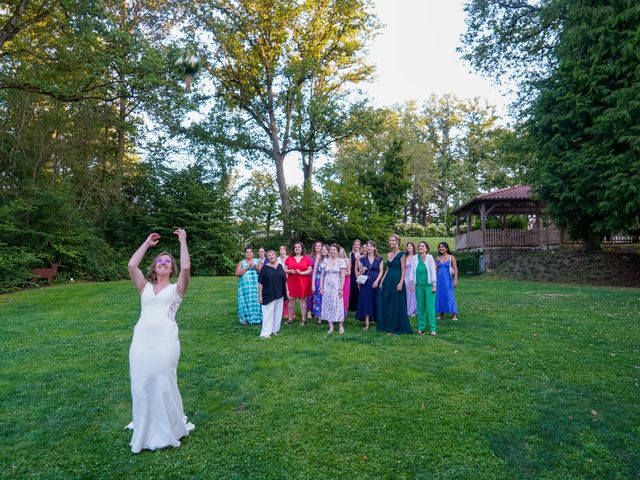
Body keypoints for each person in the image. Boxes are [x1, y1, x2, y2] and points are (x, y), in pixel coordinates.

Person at [126, 230, 195, 453]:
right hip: (141, 341)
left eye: (167, 262)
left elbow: (186, 268)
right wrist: (146, 243)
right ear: (154, 267)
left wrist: (183, 241)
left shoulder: (178, 289)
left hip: (166, 341)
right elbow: (131, 266)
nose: (163, 263)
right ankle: (145, 424)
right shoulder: (144, 287)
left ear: (171, 269)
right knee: (141, 382)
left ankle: (169, 426)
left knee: (163, 380)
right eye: (160, 261)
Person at [377, 234, 413, 334]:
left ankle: (396, 327)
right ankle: (388, 325)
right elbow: (387, 269)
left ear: (397, 242)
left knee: (396, 304)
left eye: (393, 240)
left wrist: (401, 282)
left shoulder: (402, 255)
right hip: (388, 281)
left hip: (397, 281)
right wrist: (382, 281)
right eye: (390, 241)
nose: (391, 242)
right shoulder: (388, 255)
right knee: (388, 303)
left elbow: (403, 270)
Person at [258, 250, 288, 338]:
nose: (271, 257)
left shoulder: (280, 266)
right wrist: (260, 296)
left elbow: (284, 280)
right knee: (268, 313)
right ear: (267, 258)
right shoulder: (264, 268)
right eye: (269, 256)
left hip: (279, 293)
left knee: (278, 313)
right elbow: (260, 283)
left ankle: (274, 330)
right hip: (268, 294)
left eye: (273, 255)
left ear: (276, 255)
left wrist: (287, 291)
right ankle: (265, 333)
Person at [355, 240, 383, 331]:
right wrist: (362, 270)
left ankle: (377, 320)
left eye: (371, 246)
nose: (369, 248)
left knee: (375, 301)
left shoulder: (379, 259)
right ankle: (366, 323)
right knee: (366, 302)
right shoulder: (362, 259)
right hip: (366, 284)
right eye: (368, 246)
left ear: (374, 248)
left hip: (375, 283)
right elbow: (359, 273)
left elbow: (381, 271)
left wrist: (377, 281)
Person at [411, 241, 437, 335]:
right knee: (420, 308)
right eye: (419, 246)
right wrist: (411, 282)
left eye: (423, 246)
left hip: (429, 286)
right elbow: (412, 271)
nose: (420, 247)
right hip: (419, 286)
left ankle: (433, 329)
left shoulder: (429, 257)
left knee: (430, 308)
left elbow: (433, 271)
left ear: (426, 248)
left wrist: (434, 285)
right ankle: (421, 327)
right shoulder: (414, 258)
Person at [320, 244, 347, 334]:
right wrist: (321, 287)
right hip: (327, 286)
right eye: (331, 249)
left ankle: (341, 326)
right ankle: (331, 326)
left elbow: (343, 276)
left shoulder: (341, 261)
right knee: (328, 305)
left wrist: (341, 289)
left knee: (338, 305)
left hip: (337, 286)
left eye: (334, 250)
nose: (332, 251)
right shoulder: (325, 261)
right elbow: (322, 275)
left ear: (338, 251)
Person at [284, 242, 313, 325]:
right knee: (291, 299)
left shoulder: (306, 258)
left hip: (303, 281)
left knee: (303, 300)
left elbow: (309, 269)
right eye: (295, 247)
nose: (297, 248)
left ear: (302, 248)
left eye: (299, 247)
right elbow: (285, 269)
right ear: (293, 249)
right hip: (292, 281)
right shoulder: (289, 258)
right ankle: (290, 319)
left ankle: (304, 320)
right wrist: (290, 271)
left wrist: (302, 273)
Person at [235, 246, 263, 325]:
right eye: (247, 252)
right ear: (244, 254)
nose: (249, 253)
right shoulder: (241, 262)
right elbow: (237, 274)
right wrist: (247, 267)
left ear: (253, 253)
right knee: (245, 302)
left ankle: (259, 319)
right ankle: (245, 320)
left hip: (256, 286)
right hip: (245, 287)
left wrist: (255, 267)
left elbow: (263, 272)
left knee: (256, 301)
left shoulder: (258, 261)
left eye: (250, 252)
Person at [435, 242, 458, 321]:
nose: (441, 248)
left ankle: (454, 315)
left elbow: (455, 269)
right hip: (439, 281)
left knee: (450, 295)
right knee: (440, 295)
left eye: (443, 247)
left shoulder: (451, 257)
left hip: (448, 280)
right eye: (440, 247)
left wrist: (455, 279)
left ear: (447, 248)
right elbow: (436, 270)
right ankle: (441, 315)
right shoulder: (437, 258)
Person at [311, 243, 328, 324]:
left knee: (327, 299)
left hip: (328, 281)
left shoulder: (331, 260)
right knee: (319, 298)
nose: (324, 251)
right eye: (322, 250)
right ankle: (320, 318)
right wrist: (313, 284)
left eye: (325, 249)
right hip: (318, 281)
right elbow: (314, 273)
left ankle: (328, 317)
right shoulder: (318, 261)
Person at [277, 245, 295, 321]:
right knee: (280, 296)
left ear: (286, 250)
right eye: (280, 248)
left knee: (289, 295)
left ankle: (289, 313)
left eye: (283, 248)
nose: (281, 249)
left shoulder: (290, 258)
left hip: (289, 278)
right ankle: (280, 312)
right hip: (278, 279)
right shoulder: (276, 259)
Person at [348, 239, 363, 312]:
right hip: (353, 274)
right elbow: (350, 264)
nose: (356, 246)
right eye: (355, 244)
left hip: (361, 272)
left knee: (359, 289)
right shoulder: (351, 253)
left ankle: (359, 306)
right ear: (353, 245)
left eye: (358, 244)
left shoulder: (363, 253)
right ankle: (352, 306)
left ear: (360, 246)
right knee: (353, 288)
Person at [404, 242, 417, 316]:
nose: (409, 247)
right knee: (407, 294)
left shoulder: (416, 257)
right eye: (407, 246)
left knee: (413, 294)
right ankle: (407, 309)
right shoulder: (404, 257)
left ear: (413, 247)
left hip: (414, 278)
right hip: (406, 277)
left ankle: (412, 311)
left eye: (410, 246)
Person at [339, 246, 351, 319]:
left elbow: (349, 272)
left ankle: (344, 313)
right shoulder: (336, 260)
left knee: (344, 297)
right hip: (337, 281)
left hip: (346, 280)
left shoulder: (346, 260)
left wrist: (341, 274)